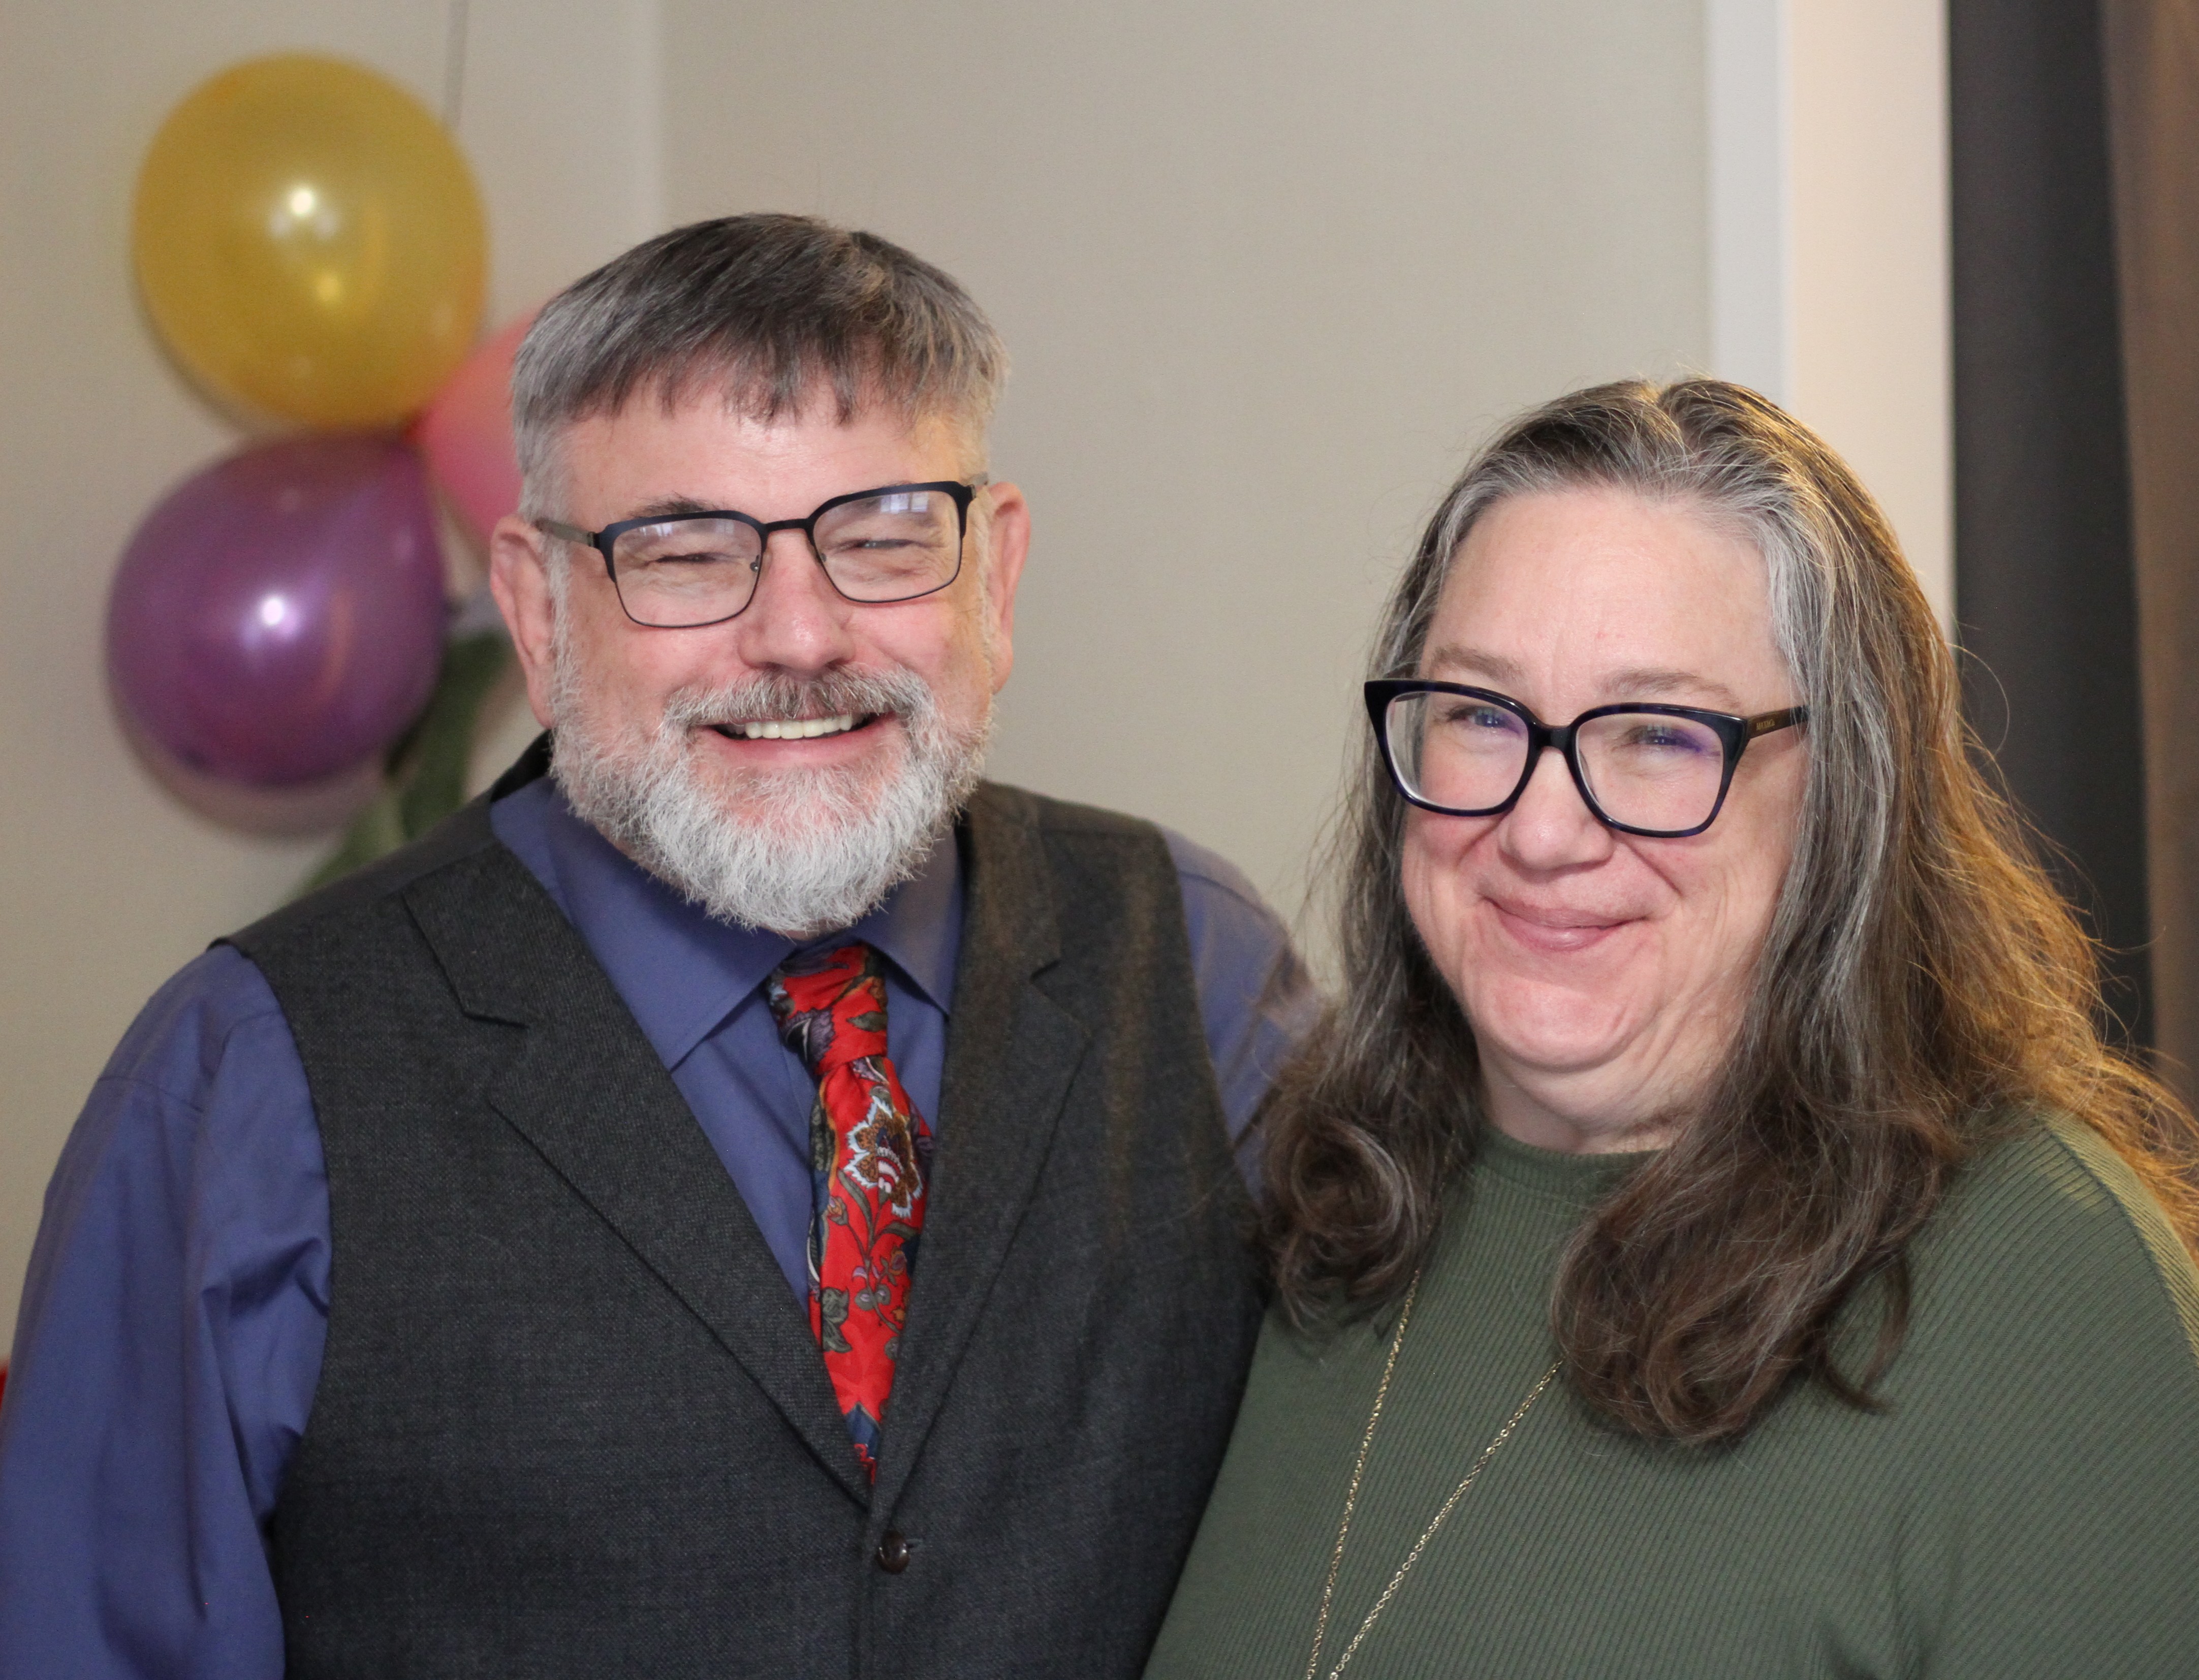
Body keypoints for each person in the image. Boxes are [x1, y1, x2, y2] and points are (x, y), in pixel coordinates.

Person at [0, 214, 1314, 1678]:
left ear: (992, 579)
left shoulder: (1197, 963)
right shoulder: (250, 1078)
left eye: (882, 538)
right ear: (538, 611)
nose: (800, 636)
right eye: (686, 554)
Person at [1145, 379, 2199, 1678]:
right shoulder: (1319, 1209)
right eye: (1482, 715)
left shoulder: (2042, 1288)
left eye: (1658, 735)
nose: (1541, 829)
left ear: (1844, 792)